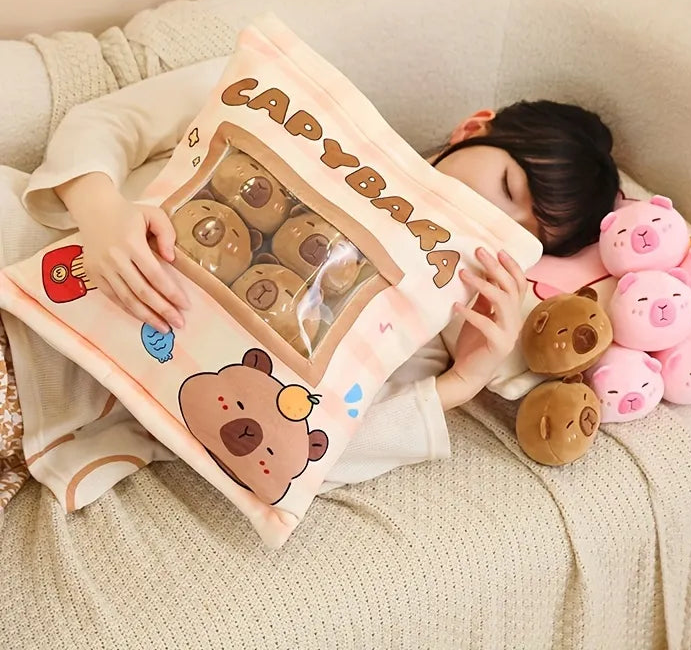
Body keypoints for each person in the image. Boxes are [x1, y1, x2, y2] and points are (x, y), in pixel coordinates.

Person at [4, 57, 620, 498]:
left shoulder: (420, 322)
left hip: (41, 404)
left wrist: (465, 379)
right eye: (508, 186)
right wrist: (103, 215)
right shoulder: (293, 107)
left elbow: (304, 455)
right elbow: (110, 123)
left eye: (521, 230)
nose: (491, 214)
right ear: (474, 127)